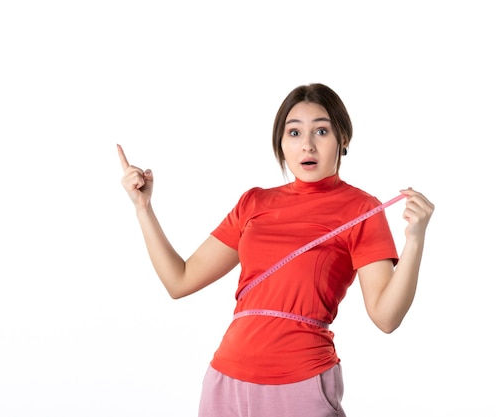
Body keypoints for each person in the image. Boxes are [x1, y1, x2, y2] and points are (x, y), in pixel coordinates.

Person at [117, 83, 434, 417]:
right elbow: (179, 281)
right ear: (281, 145)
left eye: (321, 131)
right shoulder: (254, 202)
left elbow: (386, 317)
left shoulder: (361, 209)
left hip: (302, 383)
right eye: (294, 133)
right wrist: (143, 208)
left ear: (343, 140)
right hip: (226, 380)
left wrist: (415, 240)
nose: (307, 145)